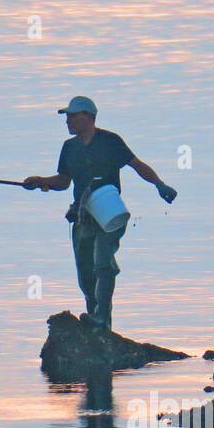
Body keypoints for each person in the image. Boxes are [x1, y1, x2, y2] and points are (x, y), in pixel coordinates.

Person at [23, 96, 177, 331]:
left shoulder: (110, 141)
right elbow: (64, 181)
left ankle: (102, 319)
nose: (68, 121)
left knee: (103, 264)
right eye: (67, 117)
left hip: (109, 213)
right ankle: (95, 318)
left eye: (73, 116)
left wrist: (160, 184)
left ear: (89, 117)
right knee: (86, 272)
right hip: (83, 217)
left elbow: (137, 165)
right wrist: (40, 181)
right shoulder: (69, 147)